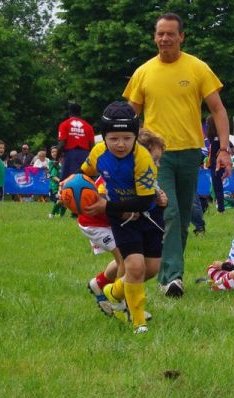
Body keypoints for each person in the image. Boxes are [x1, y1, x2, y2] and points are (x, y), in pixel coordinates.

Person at [123, 12, 231, 297]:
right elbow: (129, 115)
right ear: (154, 37)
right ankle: (172, 277)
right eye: (160, 33)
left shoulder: (198, 68)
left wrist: (224, 150)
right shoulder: (143, 72)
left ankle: (166, 271)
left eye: (171, 33)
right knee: (168, 211)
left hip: (191, 153)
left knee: (183, 218)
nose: (165, 38)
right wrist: (123, 149)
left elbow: (218, 109)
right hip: (156, 155)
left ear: (181, 36)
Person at [82, 101, 164, 334]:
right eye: (114, 138)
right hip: (121, 218)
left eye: (127, 138)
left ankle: (113, 292)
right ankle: (138, 322)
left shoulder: (143, 160)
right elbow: (84, 174)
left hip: (150, 216)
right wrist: (70, 187)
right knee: (135, 267)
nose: (120, 144)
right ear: (104, 137)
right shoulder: (98, 153)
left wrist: (105, 205)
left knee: (151, 269)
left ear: (136, 136)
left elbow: (142, 201)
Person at [57, 102, 95, 180]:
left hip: (70, 156)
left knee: (67, 181)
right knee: (85, 180)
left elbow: (61, 144)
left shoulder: (64, 124)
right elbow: (92, 146)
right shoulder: (89, 127)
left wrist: (57, 158)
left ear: (69, 112)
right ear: (80, 113)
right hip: (85, 155)